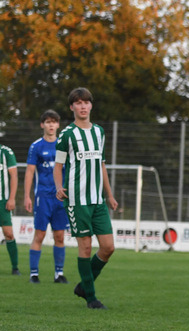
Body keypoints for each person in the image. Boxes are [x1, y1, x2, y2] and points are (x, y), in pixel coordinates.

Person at [53, 88, 119, 310]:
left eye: (86, 102)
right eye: (78, 103)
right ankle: (91, 298)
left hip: (98, 201)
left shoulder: (99, 132)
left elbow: (102, 165)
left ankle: (83, 286)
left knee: (108, 247)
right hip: (76, 200)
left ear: (91, 105)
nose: (83, 106)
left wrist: (109, 195)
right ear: (72, 107)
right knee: (86, 247)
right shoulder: (67, 135)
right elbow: (58, 166)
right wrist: (58, 187)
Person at [24, 110, 69, 284]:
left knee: (59, 235)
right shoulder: (36, 146)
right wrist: (27, 196)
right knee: (40, 235)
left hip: (60, 198)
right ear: (42, 125)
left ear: (58, 125)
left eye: (54, 122)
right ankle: (34, 274)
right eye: (48, 122)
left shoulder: (63, 145)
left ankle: (59, 274)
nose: (51, 125)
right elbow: (30, 172)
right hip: (42, 197)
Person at [0, 142, 19, 275]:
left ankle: (15, 267)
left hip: (2, 201)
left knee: (8, 233)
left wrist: (12, 198)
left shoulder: (6, 152)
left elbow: (14, 176)